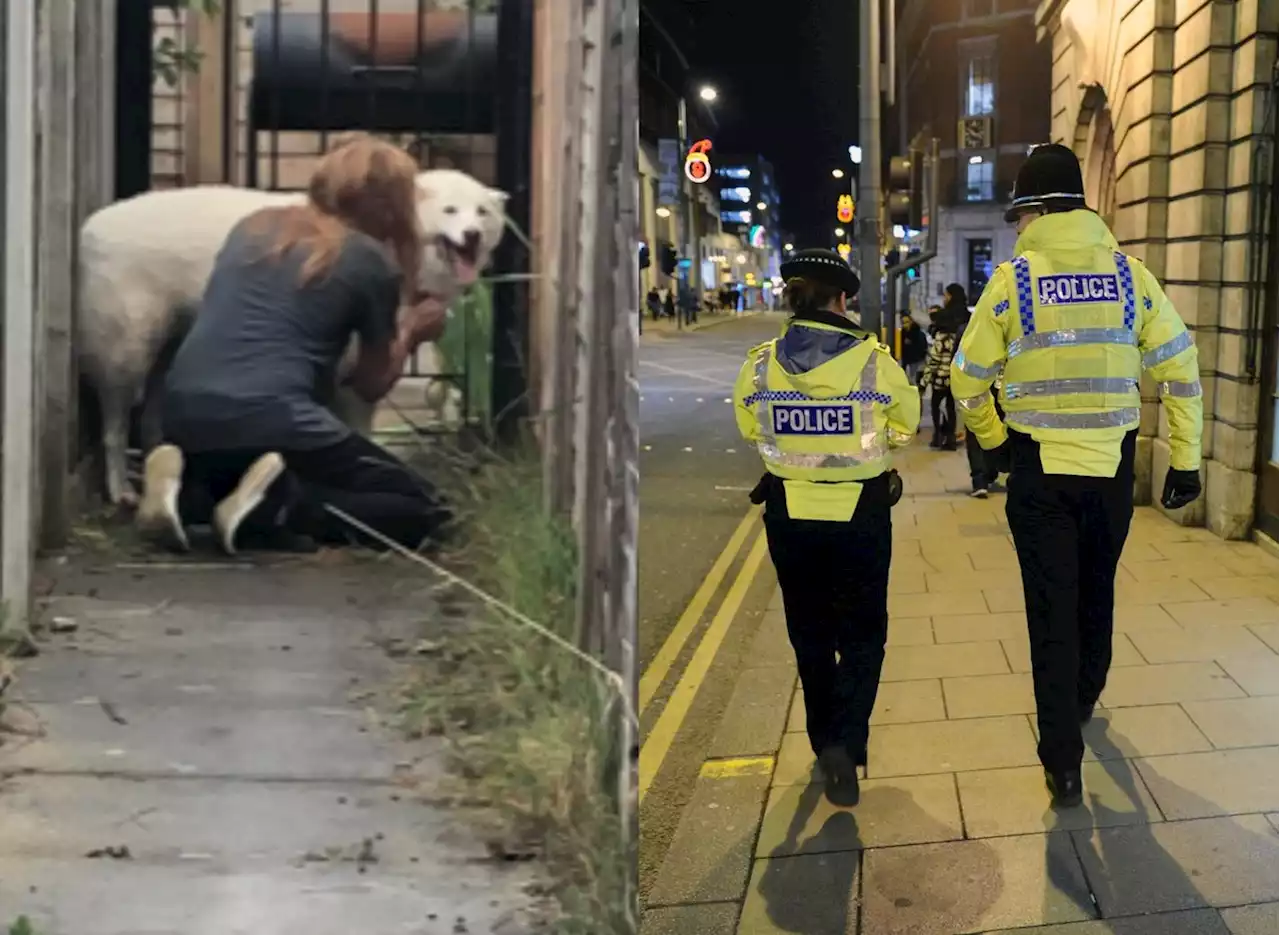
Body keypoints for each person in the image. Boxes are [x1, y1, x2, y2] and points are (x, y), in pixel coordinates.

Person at [950, 143, 1203, 807]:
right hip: (1111, 471)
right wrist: (1185, 459)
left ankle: (1062, 759)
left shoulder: (1014, 280)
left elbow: (966, 380)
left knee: (1049, 610)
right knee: (1096, 592)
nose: (1018, 227)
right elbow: (1180, 367)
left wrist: (997, 443)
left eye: (1020, 214)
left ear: (1035, 208)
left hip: (1039, 476)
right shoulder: (1130, 276)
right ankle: (1087, 695)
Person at [136, 135, 453, 556]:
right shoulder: (369, 261)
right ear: (393, 205)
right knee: (426, 510)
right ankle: (283, 508)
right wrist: (414, 327)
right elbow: (370, 385)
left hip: (183, 411)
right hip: (277, 416)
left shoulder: (254, 226)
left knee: (251, 462)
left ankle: (191, 491)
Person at [733, 248, 920, 806]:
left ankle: (824, 746)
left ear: (794, 297)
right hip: (859, 516)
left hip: (790, 516)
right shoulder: (874, 362)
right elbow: (905, 428)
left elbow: (749, 426)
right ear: (843, 299)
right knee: (863, 635)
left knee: (810, 634)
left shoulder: (761, 362)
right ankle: (847, 741)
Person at [955, 312, 1005, 498]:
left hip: (975, 389)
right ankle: (990, 472)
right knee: (998, 429)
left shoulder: (966, 332)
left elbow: (958, 360)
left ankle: (981, 479)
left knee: (976, 432)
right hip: (1001, 389)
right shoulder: (1005, 326)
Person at [923, 310, 959, 450]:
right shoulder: (956, 337)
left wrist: (925, 380)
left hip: (939, 379)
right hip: (952, 379)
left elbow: (934, 360)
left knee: (936, 407)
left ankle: (937, 436)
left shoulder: (939, 337)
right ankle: (951, 439)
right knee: (951, 408)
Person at [900, 311, 928, 389]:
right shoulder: (901, 334)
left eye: (907, 322)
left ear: (911, 321)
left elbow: (923, 348)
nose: (905, 325)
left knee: (915, 383)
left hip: (917, 362)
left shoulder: (919, 334)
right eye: (903, 323)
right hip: (906, 362)